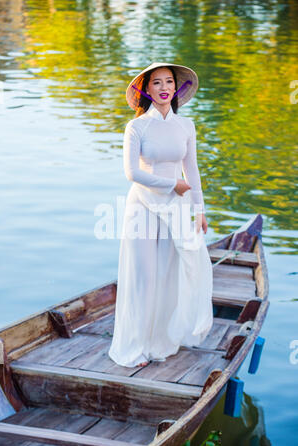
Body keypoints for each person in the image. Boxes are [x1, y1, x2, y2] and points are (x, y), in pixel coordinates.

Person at [108, 62, 213, 368]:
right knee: (143, 276)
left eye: (169, 82)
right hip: (142, 205)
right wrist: (173, 184)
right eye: (157, 83)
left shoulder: (186, 126)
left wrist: (199, 210)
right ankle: (133, 348)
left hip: (177, 208)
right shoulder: (137, 127)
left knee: (173, 272)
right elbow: (132, 173)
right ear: (146, 89)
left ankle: (161, 342)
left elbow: (191, 170)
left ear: (177, 88)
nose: (164, 87)